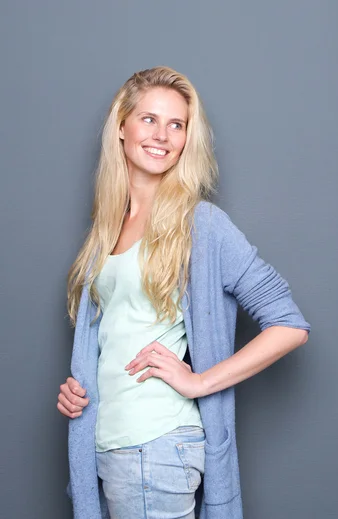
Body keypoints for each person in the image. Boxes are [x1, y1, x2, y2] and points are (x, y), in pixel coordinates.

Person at [57, 66, 311, 519]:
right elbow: (115, 337)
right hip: (114, 445)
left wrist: (198, 382)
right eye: (150, 119)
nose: (163, 135)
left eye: (177, 124)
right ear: (121, 126)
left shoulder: (201, 225)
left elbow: (289, 325)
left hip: (156, 445)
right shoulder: (106, 230)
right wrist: (82, 390)